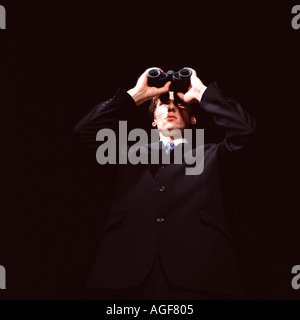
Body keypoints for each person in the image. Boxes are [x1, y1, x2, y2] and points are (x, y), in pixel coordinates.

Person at [72, 67, 256, 299]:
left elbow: (245, 131)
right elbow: (84, 132)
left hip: (200, 271)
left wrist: (202, 93)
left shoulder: (212, 155)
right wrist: (135, 96)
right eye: (162, 104)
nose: (170, 106)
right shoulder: (125, 154)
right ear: (153, 121)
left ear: (193, 118)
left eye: (180, 105)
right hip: (126, 272)